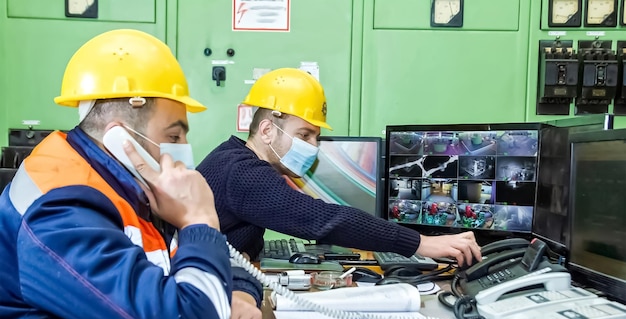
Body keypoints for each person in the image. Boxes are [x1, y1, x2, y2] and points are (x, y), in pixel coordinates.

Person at [0, 29, 261, 319]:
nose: (181, 152)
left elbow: (198, 264)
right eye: (173, 135)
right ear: (124, 139)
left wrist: (240, 293)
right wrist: (200, 220)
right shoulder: (60, 212)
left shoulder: (123, 186)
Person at [196, 68, 482, 268]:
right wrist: (423, 244)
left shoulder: (234, 158)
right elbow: (323, 220)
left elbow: (245, 233)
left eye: (316, 138)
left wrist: (240, 252)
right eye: (304, 135)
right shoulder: (244, 173)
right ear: (267, 130)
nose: (312, 146)